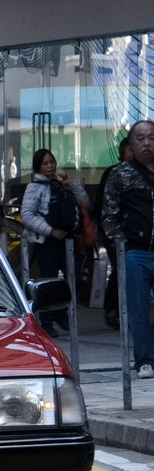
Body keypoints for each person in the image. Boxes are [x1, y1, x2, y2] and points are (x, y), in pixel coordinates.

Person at [103, 119, 154, 375]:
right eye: (141, 138)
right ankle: (145, 360)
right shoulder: (121, 173)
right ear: (131, 144)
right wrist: (123, 246)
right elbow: (108, 216)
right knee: (138, 310)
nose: (147, 143)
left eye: (152, 138)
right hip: (136, 253)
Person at [22, 149, 89, 335]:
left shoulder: (61, 184)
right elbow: (26, 215)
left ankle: (60, 311)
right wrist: (51, 231)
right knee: (49, 281)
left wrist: (72, 185)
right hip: (47, 241)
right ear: (38, 167)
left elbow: (84, 202)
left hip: (68, 239)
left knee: (74, 278)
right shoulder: (34, 187)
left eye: (51, 161)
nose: (50, 166)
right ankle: (47, 321)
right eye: (45, 163)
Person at [104, 137, 132, 328]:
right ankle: (112, 308)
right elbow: (104, 207)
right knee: (119, 271)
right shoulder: (115, 173)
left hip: (141, 238)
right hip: (118, 236)